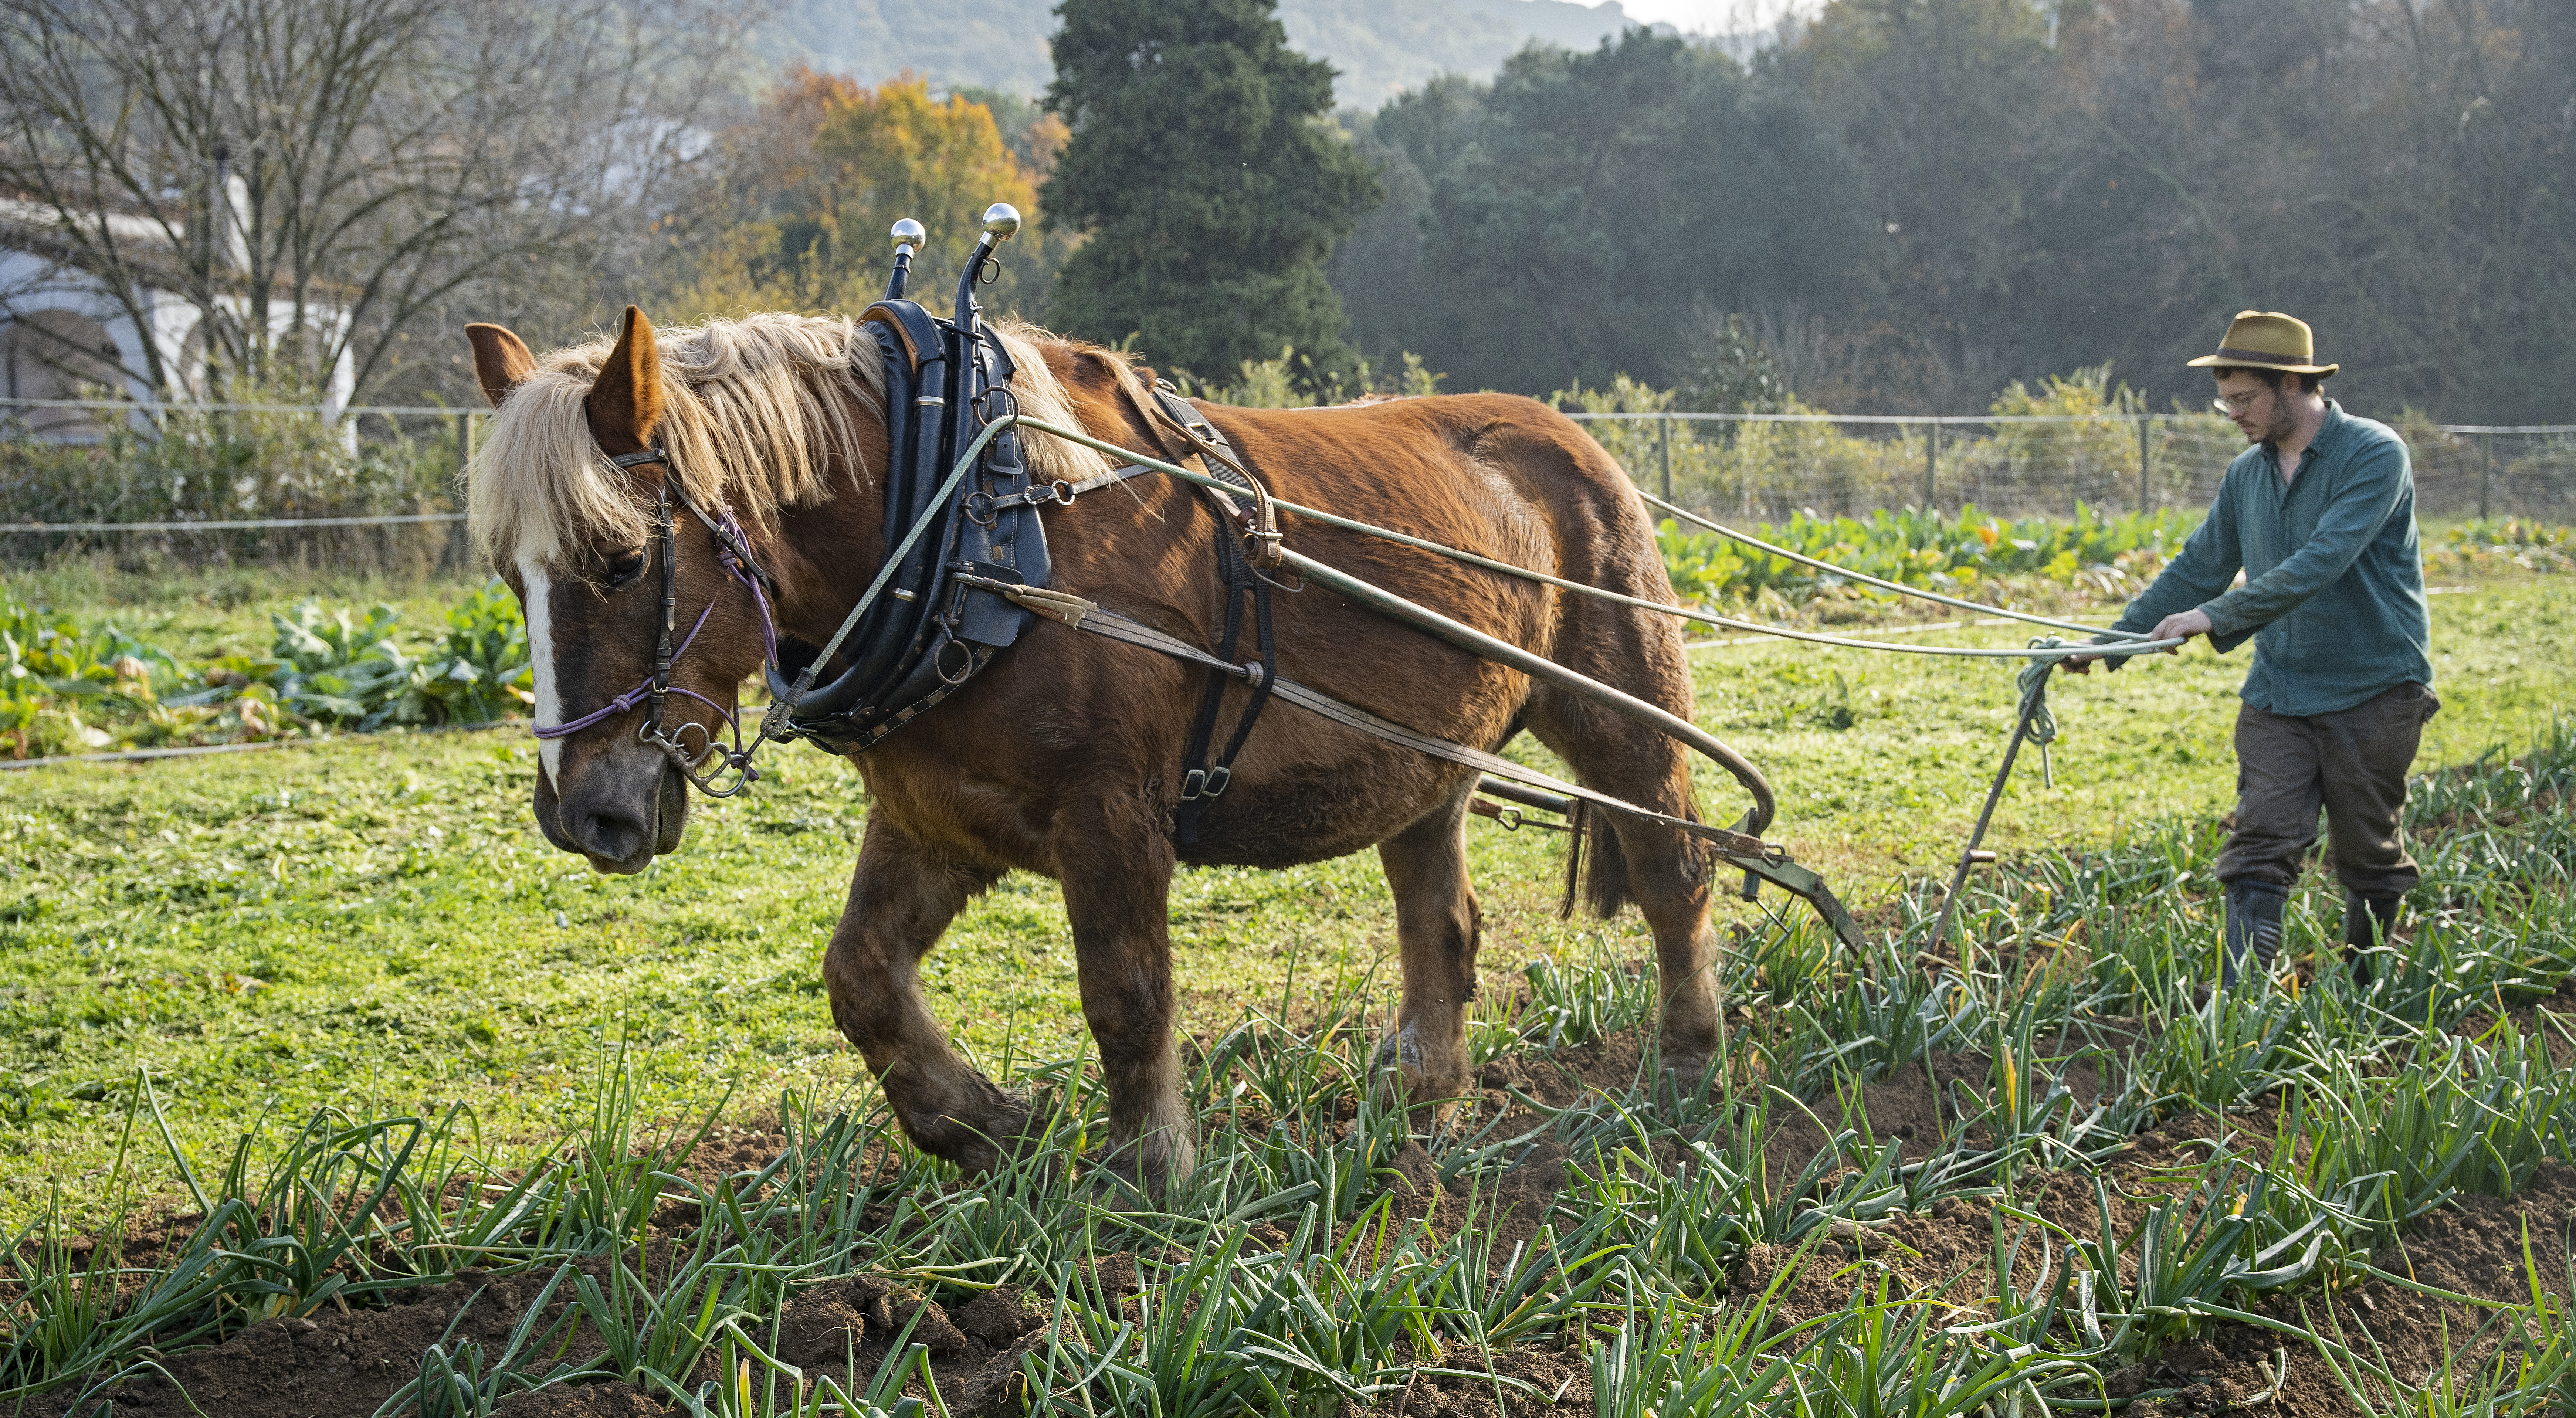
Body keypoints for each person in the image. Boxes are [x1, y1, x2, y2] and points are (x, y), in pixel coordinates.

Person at [2066, 311, 2435, 989]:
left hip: (2373, 687)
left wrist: (2215, 616)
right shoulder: (2247, 475)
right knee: (2261, 841)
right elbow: (2198, 566)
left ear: (2293, 385)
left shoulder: (2375, 454)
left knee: (2368, 853)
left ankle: (2367, 983)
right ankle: (2243, 995)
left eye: (2244, 399)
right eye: (2226, 400)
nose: (2231, 414)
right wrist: (2105, 646)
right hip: (2280, 692)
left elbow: (2321, 560)